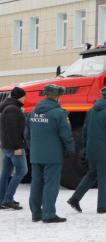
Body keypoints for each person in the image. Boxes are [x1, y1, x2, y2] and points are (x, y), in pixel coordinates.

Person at [67, 85, 106, 215]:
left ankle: (75, 198)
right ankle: (102, 205)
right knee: (104, 177)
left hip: (92, 150)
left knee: (92, 174)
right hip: (105, 151)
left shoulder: (92, 110)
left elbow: (85, 131)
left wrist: (87, 147)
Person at [25, 84, 75, 223]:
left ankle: (36, 213)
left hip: (36, 155)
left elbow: (26, 134)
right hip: (53, 156)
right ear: (58, 97)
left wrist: (33, 149)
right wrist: (70, 151)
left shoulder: (33, 112)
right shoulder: (59, 113)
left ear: (45, 95)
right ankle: (48, 214)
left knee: (36, 184)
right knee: (51, 185)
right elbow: (66, 135)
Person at [0, 87, 28, 210]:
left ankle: (2, 199)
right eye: (24, 96)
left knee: (5, 174)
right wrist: (16, 146)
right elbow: (10, 130)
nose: (25, 98)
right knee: (22, 171)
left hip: (6, 146)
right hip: (13, 147)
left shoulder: (7, 107)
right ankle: (7, 199)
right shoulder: (13, 109)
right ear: (20, 97)